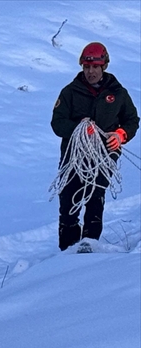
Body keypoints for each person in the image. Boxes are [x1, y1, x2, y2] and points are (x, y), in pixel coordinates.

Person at [50, 42, 138, 250]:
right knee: (69, 203)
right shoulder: (70, 92)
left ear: (104, 67)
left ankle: (89, 247)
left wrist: (121, 134)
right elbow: (57, 122)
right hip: (74, 158)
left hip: (105, 156)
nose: (90, 72)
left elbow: (132, 120)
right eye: (87, 67)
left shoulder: (118, 94)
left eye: (95, 67)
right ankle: (67, 250)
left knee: (95, 199)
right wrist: (79, 130)